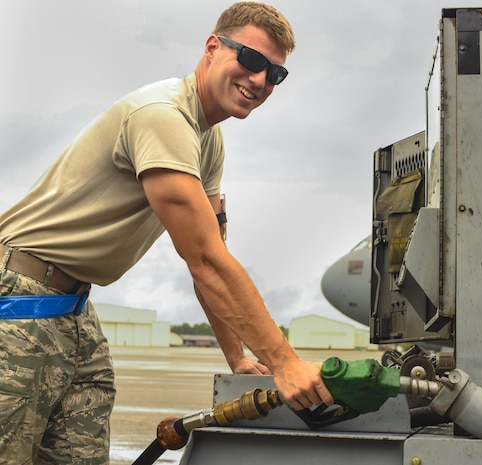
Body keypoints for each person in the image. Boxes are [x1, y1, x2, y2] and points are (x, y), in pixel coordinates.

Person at [0, 2, 333, 463]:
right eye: (252, 60)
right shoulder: (161, 115)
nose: (259, 80)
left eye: (275, 74)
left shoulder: (208, 141)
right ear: (213, 48)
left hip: (74, 307)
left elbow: (209, 259)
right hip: (18, 299)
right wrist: (285, 363)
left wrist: (238, 358)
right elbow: (205, 260)